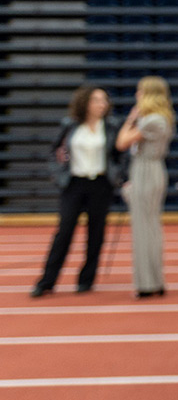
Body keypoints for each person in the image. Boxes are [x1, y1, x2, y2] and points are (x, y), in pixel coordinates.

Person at [30, 85, 125, 297]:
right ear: (85, 103)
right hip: (73, 183)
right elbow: (54, 151)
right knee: (64, 232)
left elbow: (120, 154)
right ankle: (47, 281)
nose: (102, 104)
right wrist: (58, 174)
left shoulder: (111, 126)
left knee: (96, 234)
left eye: (104, 100)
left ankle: (86, 280)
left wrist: (117, 175)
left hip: (101, 184)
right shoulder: (70, 124)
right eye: (97, 100)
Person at [115, 75, 174, 298]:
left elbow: (121, 142)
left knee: (144, 227)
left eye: (140, 92)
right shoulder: (162, 118)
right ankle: (153, 280)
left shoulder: (152, 120)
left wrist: (131, 118)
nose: (136, 95)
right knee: (150, 226)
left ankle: (147, 283)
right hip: (152, 169)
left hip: (145, 170)